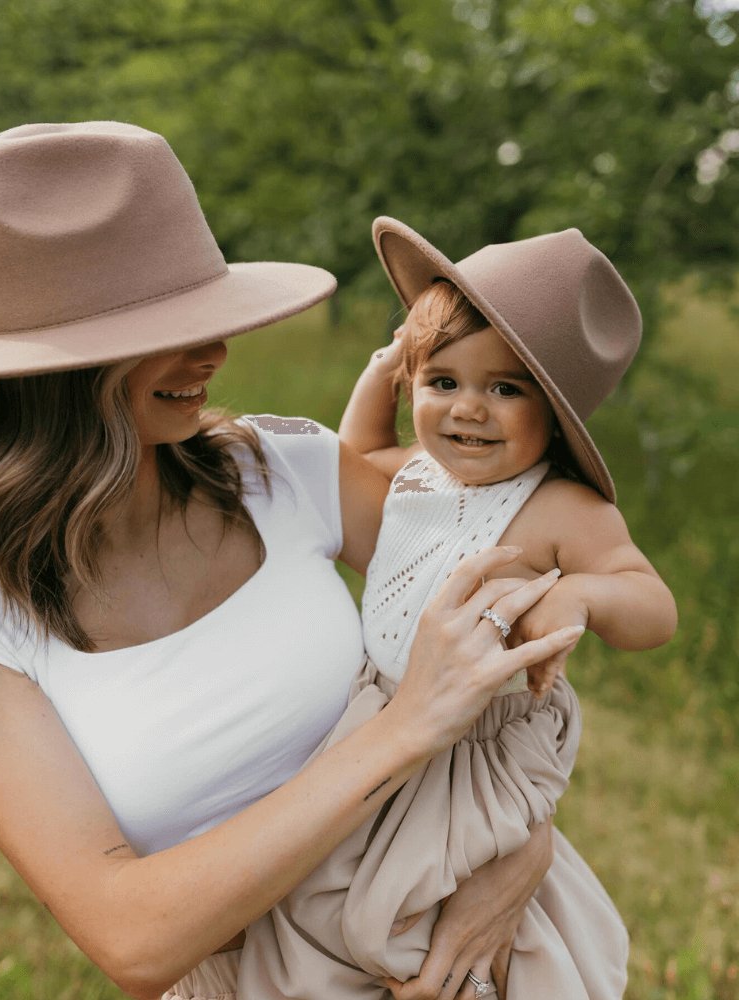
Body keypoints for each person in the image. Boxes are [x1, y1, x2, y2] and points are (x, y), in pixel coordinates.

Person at [0, 123, 587, 1000]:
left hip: (449, 943)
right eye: (168, 329)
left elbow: (515, 574)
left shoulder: (285, 471)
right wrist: (404, 732)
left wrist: (522, 835)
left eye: (211, 316)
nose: (215, 354)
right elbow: (131, 939)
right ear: (53, 369)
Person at [236, 220, 677, 1000]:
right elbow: (356, 454)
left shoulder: (559, 508)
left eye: (505, 388)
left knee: (419, 912)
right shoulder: (415, 473)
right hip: (380, 718)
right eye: (441, 382)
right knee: (321, 895)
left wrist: (582, 593)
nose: (467, 409)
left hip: (473, 749)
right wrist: (382, 371)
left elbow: (652, 606)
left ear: (559, 409)